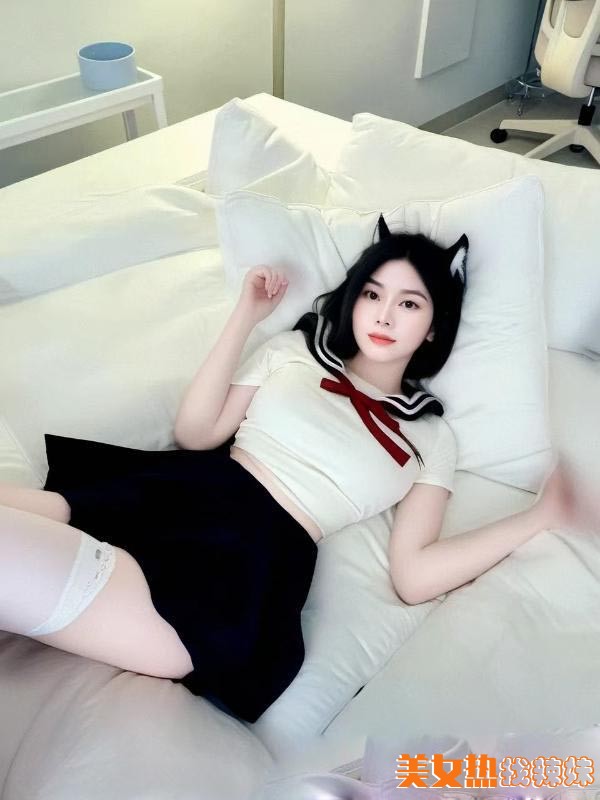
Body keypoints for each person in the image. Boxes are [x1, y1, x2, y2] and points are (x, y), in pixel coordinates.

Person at [0, 217, 597, 723]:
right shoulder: (294, 351)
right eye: (372, 294)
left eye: (409, 303)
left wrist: (539, 516)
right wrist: (246, 314)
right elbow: (197, 432)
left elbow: (414, 575)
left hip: (249, 558)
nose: (385, 314)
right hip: (179, 493)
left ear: (434, 326)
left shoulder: (431, 438)